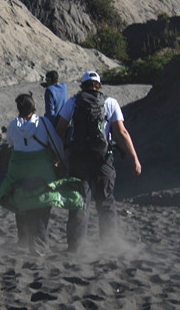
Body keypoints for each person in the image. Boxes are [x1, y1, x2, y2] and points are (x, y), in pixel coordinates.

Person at [56, 71, 142, 253]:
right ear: (99, 85)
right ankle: (109, 245)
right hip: (103, 160)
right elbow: (122, 132)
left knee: (79, 202)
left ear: (83, 84)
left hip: (79, 160)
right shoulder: (110, 103)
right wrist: (134, 158)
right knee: (106, 202)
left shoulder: (72, 102)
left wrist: (57, 156)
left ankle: (75, 247)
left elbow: (60, 130)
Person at [0, 93, 81, 256]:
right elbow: (56, 143)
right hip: (41, 171)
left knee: (20, 200)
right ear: (34, 107)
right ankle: (40, 243)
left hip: (18, 170)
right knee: (43, 204)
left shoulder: (13, 125)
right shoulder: (43, 123)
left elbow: (10, 142)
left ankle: (23, 240)